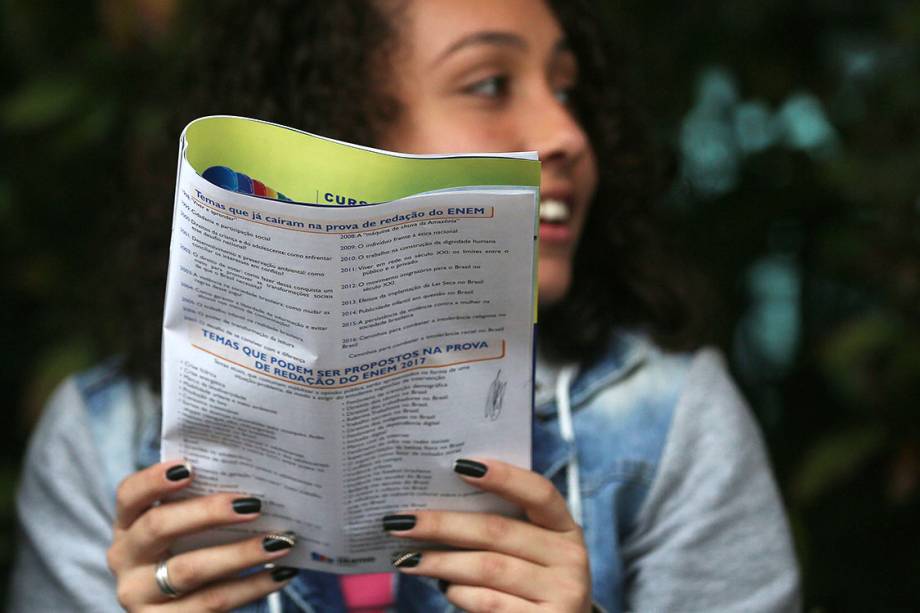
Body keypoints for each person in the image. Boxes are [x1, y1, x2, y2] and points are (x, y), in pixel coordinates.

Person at [8, 1, 801, 611]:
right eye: (491, 83)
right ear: (335, 140)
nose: (568, 132)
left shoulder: (671, 418)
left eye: (569, 89)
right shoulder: (102, 441)